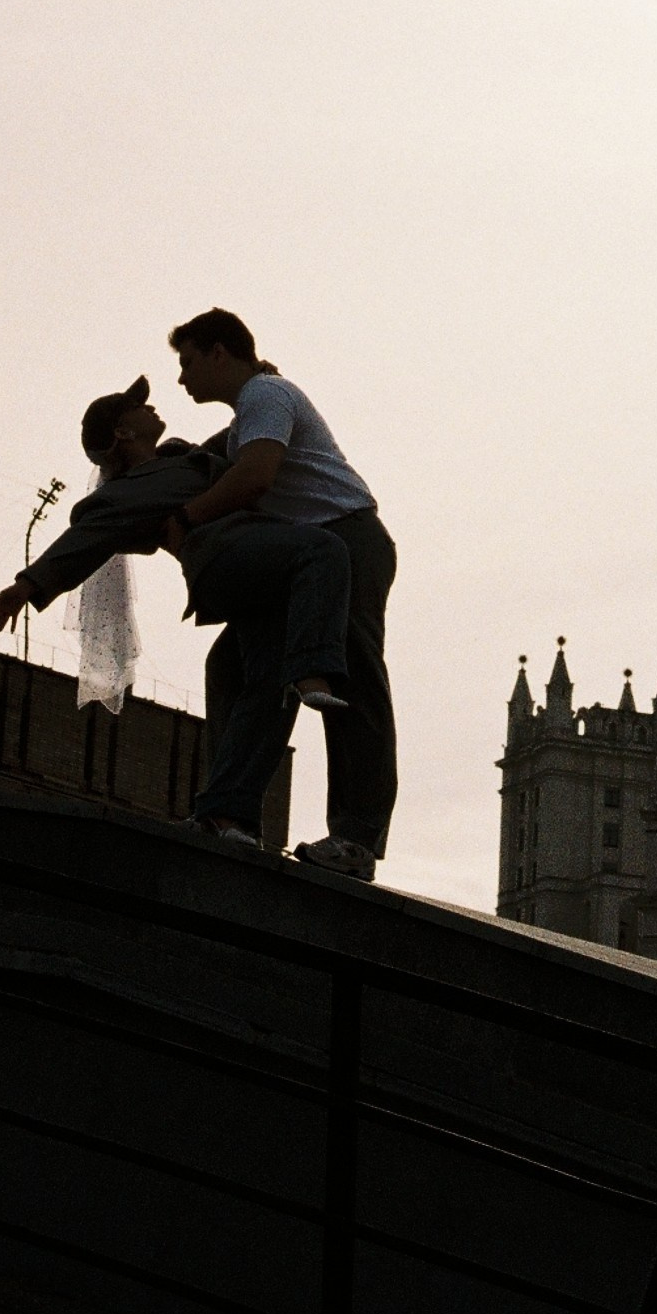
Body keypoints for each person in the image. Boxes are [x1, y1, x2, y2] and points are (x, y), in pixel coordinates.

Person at [0, 378, 351, 845]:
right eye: (138, 408)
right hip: (222, 561)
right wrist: (28, 583)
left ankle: (227, 816)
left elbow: (237, 439)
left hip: (261, 569)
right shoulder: (122, 494)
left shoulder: (181, 455)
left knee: (261, 682)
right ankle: (313, 669)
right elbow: (85, 539)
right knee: (324, 551)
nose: (151, 407)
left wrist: (255, 386)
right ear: (123, 432)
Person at [164, 310, 397, 884]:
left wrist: (185, 518)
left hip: (346, 539)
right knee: (236, 667)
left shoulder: (265, 394)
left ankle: (355, 838)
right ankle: (230, 812)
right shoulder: (244, 422)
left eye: (187, 361)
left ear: (221, 354)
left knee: (351, 677)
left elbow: (254, 478)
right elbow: (206, 466)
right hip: (305, 559)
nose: (181, 378)